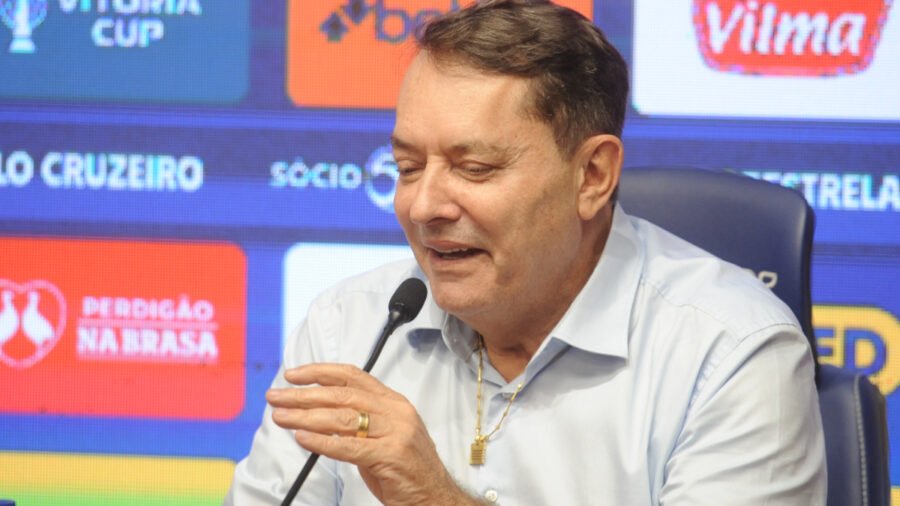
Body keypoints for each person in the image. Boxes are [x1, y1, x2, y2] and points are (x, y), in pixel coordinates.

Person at [226, 1, 826, 504]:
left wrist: (435, 498)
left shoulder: (730, 354)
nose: (423, 205)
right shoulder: (348, 329)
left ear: (592, 176)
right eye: (407, 167)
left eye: (475, 168)